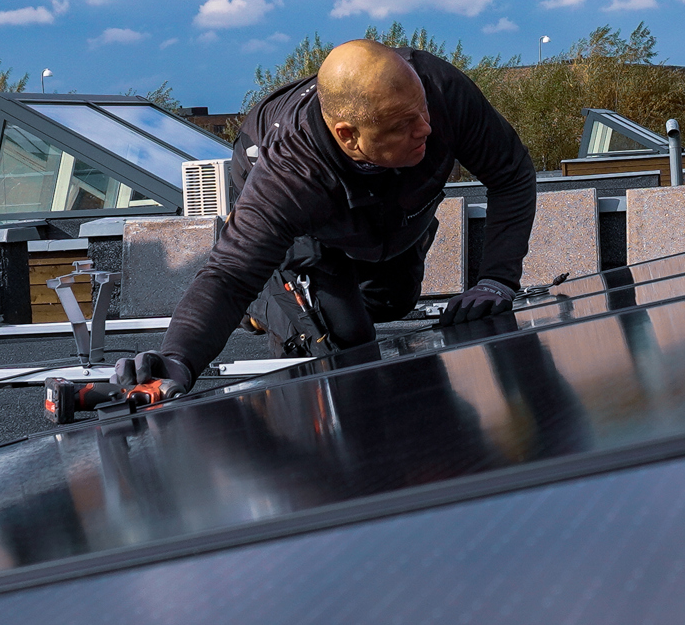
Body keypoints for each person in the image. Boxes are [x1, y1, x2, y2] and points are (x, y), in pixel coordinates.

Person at [114, 39, 537, 400]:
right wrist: (177, 359)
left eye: (422, 111)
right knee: (344, 336)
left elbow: (512, 173)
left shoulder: (440, 91)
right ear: (347, 134)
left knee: (395, 299)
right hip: (309, 216)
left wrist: (495, 280)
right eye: (404, 124)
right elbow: (228, 275)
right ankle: (270, 297)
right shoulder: (289, 172)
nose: (426, 128)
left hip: (388, 216)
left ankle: (318, 290)